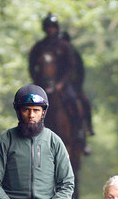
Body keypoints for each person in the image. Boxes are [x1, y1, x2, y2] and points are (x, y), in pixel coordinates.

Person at [28, 13, 93, 146]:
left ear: (56, 28)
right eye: (48, 27)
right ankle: (27, 135)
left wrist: (61, 84)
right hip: (43, 85)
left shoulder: (64, 46)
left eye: (52, 27)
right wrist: (38, 82)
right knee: (28, 105)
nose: (50, 30)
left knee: (73, 100)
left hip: (63, 83)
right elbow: (31, 66)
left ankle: (79, 132)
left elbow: (71, 67)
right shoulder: (39, 47)